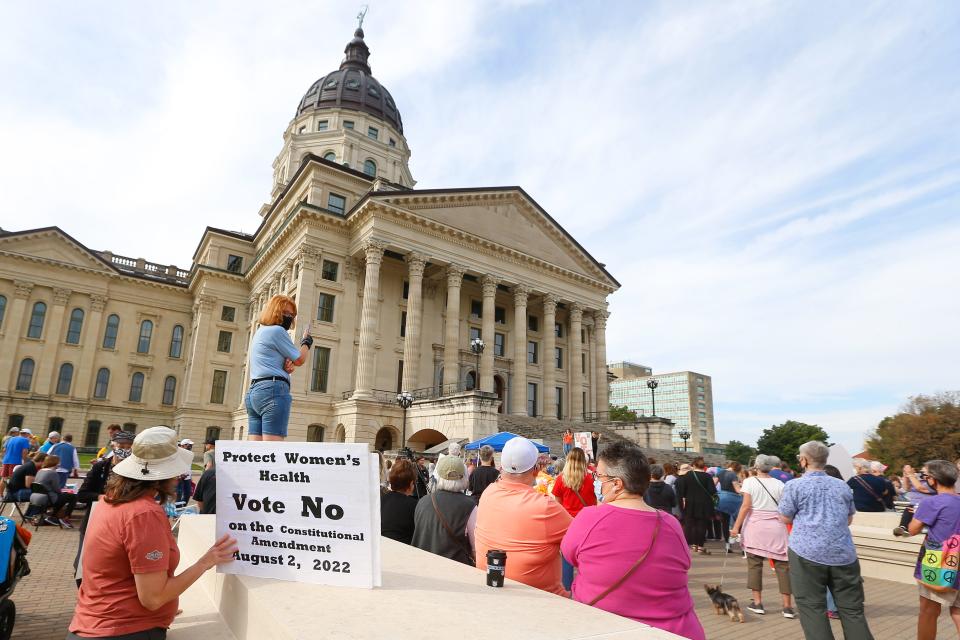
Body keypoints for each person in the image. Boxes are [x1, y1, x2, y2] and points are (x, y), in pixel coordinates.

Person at [68, 426, 238, 639]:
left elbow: (115, 573)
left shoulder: (109, 501)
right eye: (175, 469)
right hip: (125, 629)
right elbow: (153, 598)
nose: (179, 476)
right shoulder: (143, 514)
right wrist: (206, 561)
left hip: (94, 622)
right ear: (162, 475)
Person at [561, 441, 705, 640]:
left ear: (617, 483)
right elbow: (683, 564)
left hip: (606, 627)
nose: (596, 481)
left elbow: (569, 555)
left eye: (599, 476)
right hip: (676, 630)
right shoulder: (671, 523)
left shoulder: (589, 518)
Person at [779, 441, 874, 640]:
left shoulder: (794, 486)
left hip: (806, 553)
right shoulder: (842, 486)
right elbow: (848, 518)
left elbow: (785, 517)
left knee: (812, 608)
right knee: (852, 610)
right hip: (843, 554)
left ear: (804, 460)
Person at [475, 436, 572, 595]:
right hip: (541, 598)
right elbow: (582, 540)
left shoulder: (488, 493)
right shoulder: (544, 507)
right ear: (535, 469)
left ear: (501, 467)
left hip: (493, 587)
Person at [893, 459, 960, 639]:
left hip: (937, 563)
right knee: (957, 611)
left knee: (929, 611)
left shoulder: (931, 503)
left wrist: (911, 518)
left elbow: (913, 529)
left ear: (932, 479)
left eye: (925, 476)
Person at [729, 454, 795, 619]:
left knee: (754, 565)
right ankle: (787, 606)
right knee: (783, 567)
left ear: (756, 467)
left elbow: (745, 507)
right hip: (776, 527)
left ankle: (757, 603)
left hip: (755, 527)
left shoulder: (750, 482)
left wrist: (735, 527)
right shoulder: (780, 484)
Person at [246, 294, 311, 441]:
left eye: (291, 315)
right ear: (275, 312)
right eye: (285, 313)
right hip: (273, 391)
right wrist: (306, 342)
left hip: (254, 393)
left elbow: (272, 359)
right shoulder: (278, 331)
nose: (289, 317)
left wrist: (286, 366)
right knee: (272, 452)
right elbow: (300, 359)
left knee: (254, 452)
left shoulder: (260, 332)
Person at [411, 456, 476, 565]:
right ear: (463, 476)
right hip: (453, 568)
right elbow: (476, 547)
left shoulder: (423, 501)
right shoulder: (470, 505)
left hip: (422, 565)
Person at [552, 447, 598, 590]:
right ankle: (585, 588)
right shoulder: (590, 479)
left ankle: (566, 588)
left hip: (568, 522)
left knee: (566, 557)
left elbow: (557, 503)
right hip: (587, 522)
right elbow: (595, 502)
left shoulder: (561, 479)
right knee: (586, 557)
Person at [77, 432, 135, 504]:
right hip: (100, 510)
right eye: (121, 446)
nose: (125, 450)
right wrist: (103, 497)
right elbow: (82, 495)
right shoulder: (100, 467)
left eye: (129, 447)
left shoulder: (135, 469)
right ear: (113, 446)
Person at [675, 456, 717, 554]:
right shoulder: (707, 476)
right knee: (702, 525)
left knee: (691, 524)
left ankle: (693, 545)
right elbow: (712, 491)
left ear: (693, 465)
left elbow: (682, 491)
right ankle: (700, 547)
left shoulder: (688, 475)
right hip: (704, 504)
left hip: (690, 503)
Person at [29, 454, 78, 527]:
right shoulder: (52, 473)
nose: (59, 464)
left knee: (63, 497)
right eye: (59, 462)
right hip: (47, 498)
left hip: (35, 497)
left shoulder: (40, 471)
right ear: (55, 463)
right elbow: (57, 489)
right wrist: (64, 491)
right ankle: (65, 517)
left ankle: (53, 516)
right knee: (73, 497)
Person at [381, 458, 418, 544]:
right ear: (411, 484)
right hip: (403, 552)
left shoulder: (381, 500)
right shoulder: (414, 505)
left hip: (381, 548)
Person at [717, 461, 743, 553]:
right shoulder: (733, 475)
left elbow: (714, 484)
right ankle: (743, 547)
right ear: (737, 469)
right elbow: (737, 489)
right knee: (738, 522)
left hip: (722, 499)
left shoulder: (720, 472)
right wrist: (743, 489)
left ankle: (727, 545)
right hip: (733, 500)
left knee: (725, 522)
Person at [0, 428, 32, 494]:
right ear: (27, 434)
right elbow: (24, 451)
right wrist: (25, 461)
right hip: (16, 461)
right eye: (29, 435)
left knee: (4, 478)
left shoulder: (10, 439)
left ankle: (0, 495)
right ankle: (10, 496)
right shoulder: (25, 440)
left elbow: (4, 450)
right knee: (13, 479)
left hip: (6, 460)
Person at [175, 440, 194, 505]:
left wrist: (191, 477)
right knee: (178, 494)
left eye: (191, 445)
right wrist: (179, 475)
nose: (190, 446)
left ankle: (183, 507)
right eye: (188, 445)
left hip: (187, 477)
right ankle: (177, 510)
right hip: (179, 477)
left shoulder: (190, 454)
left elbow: (189, 466)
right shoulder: (177, 453)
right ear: (182, 445)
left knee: (188, 494)